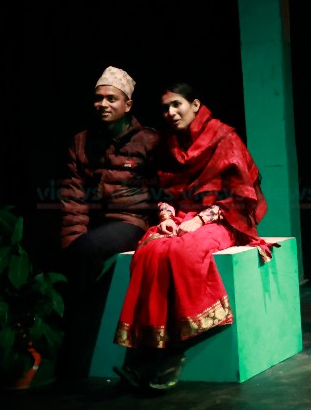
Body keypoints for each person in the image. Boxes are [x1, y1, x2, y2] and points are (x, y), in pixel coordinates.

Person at [112, 83, 272, 391]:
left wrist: (200, 219)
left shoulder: (224, 137)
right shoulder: (168, 144)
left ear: (195, 104)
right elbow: (164, 191)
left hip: (225, 219)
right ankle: (144, 351)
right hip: (183, 218)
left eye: (177, 105)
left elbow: (241, 197)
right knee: (149, 251)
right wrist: (167, 218)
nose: (170, 113)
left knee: (184, 252)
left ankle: (176, 349)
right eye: (165, 108)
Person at [57, 66, 161, 380]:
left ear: (128, 104)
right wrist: (73, 239)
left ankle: (77, 362)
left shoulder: (148, 140)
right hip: (96, 225)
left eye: (111, 99)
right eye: (98, 98)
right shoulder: (81, 141)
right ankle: (76, 359)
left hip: (133, 221)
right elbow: (73, 196)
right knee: (78, 255)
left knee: (87, 253)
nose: (102, 104)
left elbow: (164, 190)